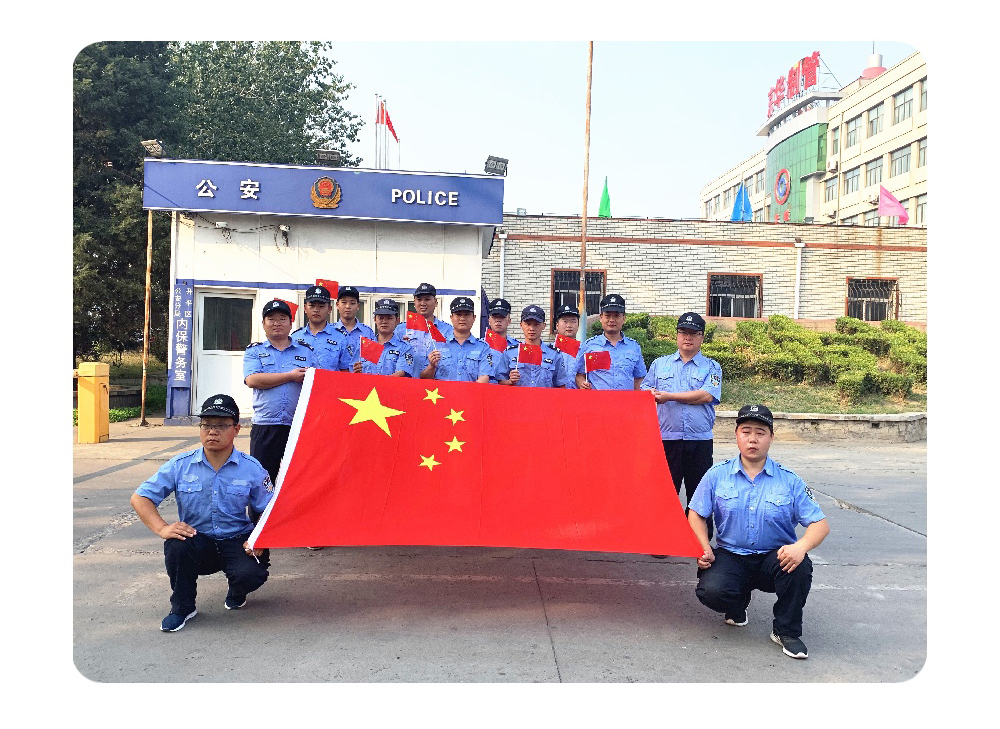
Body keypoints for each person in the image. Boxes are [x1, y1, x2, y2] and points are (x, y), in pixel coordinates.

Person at [688, 404, 829, 660]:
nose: (753, 439)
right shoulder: (717, 475)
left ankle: (786, 631)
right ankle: (737, 603)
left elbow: (820, 524)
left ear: (771, 437)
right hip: (731, 555)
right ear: (736, 435)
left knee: (800, 566)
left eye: (760, 433)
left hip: (775, 558)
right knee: (711, 591)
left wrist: (800, 547)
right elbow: (696, 513)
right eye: (746, 431)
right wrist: (704, 546)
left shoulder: (789, 480)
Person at [130, 394, 273, 632]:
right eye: (206, 424)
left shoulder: (252, 469)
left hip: (237, 539)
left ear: (236, 429)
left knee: (251, 573)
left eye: (221, 425)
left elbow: (270, 509)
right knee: (176, 545)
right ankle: (182, 608)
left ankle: (237, 589)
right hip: (198, 540)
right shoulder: (181, 464)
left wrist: (260, 538)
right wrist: (162, 528)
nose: (212, 431)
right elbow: (141, 497)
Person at [642, 312, 722, 543]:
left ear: (702, 337)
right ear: (676, 335)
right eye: (683, 332)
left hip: (699, 440)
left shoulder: (712, 367)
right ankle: (662, 539)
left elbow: (706, 395)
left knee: (700, 492)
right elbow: (645, 390)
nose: (688, 338)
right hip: (667, 438)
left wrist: (669, 396)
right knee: (665, 493)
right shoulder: (660, 364)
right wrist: (650, 394)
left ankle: (700, 541)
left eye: (693, 333)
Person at [243, 299, 318, 485]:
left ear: (291, 323)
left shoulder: (306, 352)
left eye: (282, 319)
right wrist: (290, 376)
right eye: (271, 319)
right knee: (263, 481)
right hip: (266, 426)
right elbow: (252, 380)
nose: (277, 323)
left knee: (299, 481)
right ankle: (263, 507)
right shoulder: (255, 351)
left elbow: (317, 384)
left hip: (298, 426)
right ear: (263, 324)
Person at [574, 294, 647, 390]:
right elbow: (579, 374)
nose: (611, 320)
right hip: (598, 399)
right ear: (601, 318)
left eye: (616, 316)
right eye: (607, 316)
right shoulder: (590, 346)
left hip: (625, 399)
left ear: (624, 318)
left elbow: (638, 379)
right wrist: (582, 383)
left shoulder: (634, 347)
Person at [420, 296, 492, 383]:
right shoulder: (437, 344)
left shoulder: (483, 348)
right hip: (442, 391)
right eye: (458, 314)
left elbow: (483, 379)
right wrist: (432, 366)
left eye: (467, 315)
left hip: (471, 391)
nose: (462, 318)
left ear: (474, 318)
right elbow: (424, 379)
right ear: (451, 317)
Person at [496, 305, 568, 388]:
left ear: (544, 326)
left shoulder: (554, 354)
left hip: (545, 396)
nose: (531, 328)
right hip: (518, 396)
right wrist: (510, 381)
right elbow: (499, 382)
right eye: (528, 324)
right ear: (521, 325)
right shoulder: (510, 352)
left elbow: (561, 385)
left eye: (536, 324)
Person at [394, 282, 454, 374]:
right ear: (414, 303)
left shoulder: (448, 330)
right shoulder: (401, 330)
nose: (423, 303)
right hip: (408, 381)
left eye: (427, 299)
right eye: (419, 299)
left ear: (436, 302)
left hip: (436, 382)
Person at [350, 298, 416, 377]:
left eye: (389, 318)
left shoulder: (405, 348)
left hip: (391, 385)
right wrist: (356, 371)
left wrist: (379, 382)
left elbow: (401, 373)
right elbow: (352, 373)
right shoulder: (364, 345)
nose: (384, 322)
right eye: (381, 318)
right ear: (375, 319)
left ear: (397, 320)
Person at [290, 284, 345, 370]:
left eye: (321, 306)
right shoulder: (294, 338)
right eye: (312, 306)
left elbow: (345, 371)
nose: (316, 310)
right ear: (305, 308)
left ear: (329, 309)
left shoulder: (341, 338)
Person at [332, 285, 376, 370]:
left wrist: (364, 367)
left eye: (352, 303)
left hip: (360, 377)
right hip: (335, 376)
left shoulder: (367, 332)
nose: (348, 306)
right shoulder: (330, 331)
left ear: (358, 306)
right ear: (337, 305)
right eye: (344, 302)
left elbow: (373, 361)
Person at [552, 302, 581, 389]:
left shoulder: (585, 351)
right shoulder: (548, 351)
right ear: (557, 325)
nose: (569, 325)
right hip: (554, 396)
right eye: (565, 321)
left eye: (573, 321)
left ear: (578, 325)